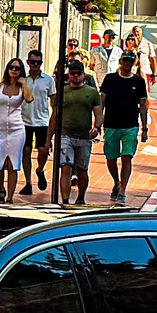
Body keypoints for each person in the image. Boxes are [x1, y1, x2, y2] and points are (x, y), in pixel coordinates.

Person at [100, 47, 151, 205]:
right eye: (125, 60)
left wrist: (144, 129)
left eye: (131, 60)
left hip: (130, 125)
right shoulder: (110, 79)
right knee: (111, 159)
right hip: (111, 124)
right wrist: (97, 123)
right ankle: (117, 182)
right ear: (121, 61)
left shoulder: (138, 82)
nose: (128, 63)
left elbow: (143, 105)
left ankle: (122, 190)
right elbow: (101, 101)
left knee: (127, 157)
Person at [53, 58, 102, 205]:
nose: (75, 76)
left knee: (82, 169)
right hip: (65, 135)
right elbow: (55, 116)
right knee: (66, 167)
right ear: (68, 74)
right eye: (72, 73)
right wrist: (49, 138)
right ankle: (65, 200)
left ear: (83, 74)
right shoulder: (62, 92)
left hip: (84, 137)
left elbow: (99, 114)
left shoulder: (92, 93)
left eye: (78, 73)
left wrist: (97, 128)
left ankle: (81, 197)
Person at [0, 61, 30, 203]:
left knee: (13, 163)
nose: (14, 70)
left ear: (21, 72)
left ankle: (10, 198)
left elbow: (29, 99)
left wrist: (24, 84)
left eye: (17, 68)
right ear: (7, 69)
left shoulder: (22, 89)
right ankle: (1, 188)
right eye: (11, 67)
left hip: (17, 129)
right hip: (0, 129)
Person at [21, 50, 52, 195]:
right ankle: (28, 182)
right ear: (28, 62)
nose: (35, 65)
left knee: (43, 150)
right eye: (32, 62)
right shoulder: (23, 80)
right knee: (25, 150)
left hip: (42, 120)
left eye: (38, 62)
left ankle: (40, 170)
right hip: (24, 120)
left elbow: (54, 101)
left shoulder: (48, 80)